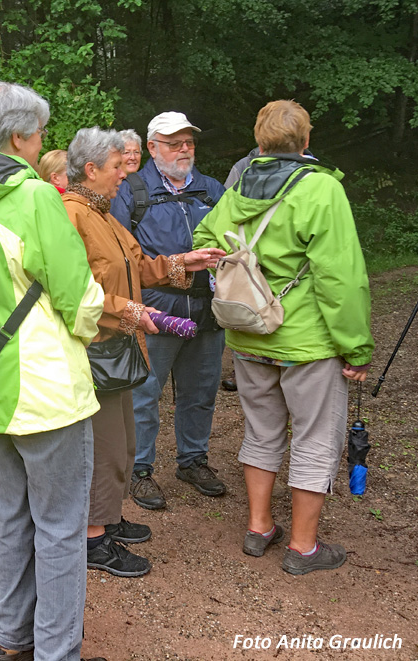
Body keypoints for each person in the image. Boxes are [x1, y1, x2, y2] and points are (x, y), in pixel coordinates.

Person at [0, 81, 107, 661]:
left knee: (12, 520)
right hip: (39, 393)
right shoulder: (32, 198)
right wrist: (98, 324)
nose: (42, 143)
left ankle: (13, 641)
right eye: (38, 133)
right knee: (60, 527)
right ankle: (57, 652)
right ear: (18, 138)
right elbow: (78, 294)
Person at [194, 100, 374, 575]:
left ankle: (258, 527)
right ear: (306, 141)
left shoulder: (237, 188)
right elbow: (341, 278)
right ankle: (303, 547)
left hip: (250, 335)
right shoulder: (320, 190)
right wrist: (356, 347)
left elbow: (202, 242)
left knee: (262, 430)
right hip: (307, 345)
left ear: (259, 140)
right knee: (315, 438)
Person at [62, 127, 224, 579]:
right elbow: (76, 293)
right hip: (96, 349)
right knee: (106, 447)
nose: (125, 173)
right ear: (90, 170)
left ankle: (108, 518)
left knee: (126, 443)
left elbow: (134, 267)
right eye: (117, 167)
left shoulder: (104, 213)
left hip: (121, 346)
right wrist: (131, 312)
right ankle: (94, 539)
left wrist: (179, 264)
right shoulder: (70, 216)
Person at [110, 112, 227, 510]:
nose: (184, 149)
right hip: (156, 311)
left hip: (209, 308)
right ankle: (140, 470)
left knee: (201, 392)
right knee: (144, 395)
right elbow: (121, 255)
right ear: (153, 147)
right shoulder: (132, 190)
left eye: (189, 142)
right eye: (174, 142)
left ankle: (193, 461)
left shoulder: (213, 189)